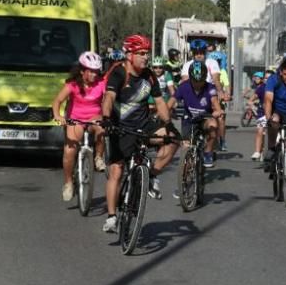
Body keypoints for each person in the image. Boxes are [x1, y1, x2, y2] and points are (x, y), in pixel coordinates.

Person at [100, 34, 178, 232]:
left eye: (147, 53)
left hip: (143, 125)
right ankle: (111, 216)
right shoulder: (118, 73)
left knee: (173, 140)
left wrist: (168, 124)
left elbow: (160, 102)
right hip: (120, 128)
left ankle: (150, 175)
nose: (146, 57)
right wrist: (107, 119)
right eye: (141, 53)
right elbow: (108, 97)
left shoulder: (149, 76)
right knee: (117, 170)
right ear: (129, 55)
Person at [51, 51, 106, 201]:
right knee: (69, 152)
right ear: (82, 71)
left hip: (94, 117)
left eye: (97, 71)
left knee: (101, 128)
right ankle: (68, 183)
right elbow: (57, 101)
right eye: (91, 71)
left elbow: (109, 100)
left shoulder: (102, 83)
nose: (95, 74)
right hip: (75, 119)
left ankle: (98, 157)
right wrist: (58, 116)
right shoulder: (73, 85)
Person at [174, 61, 223, 168]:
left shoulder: (210, 88)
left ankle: (208, 153)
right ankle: (186, 175)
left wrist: (218, 112)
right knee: (187, 148)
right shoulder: (183, 86)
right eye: (195, 80)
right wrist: (169, 111)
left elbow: (216, 105)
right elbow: (171, 102)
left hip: (205, 118)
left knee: (213, 126)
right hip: (189, 118)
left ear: (205, 77)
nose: (198, 83)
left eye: (200, 80)